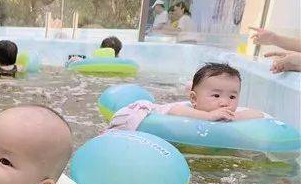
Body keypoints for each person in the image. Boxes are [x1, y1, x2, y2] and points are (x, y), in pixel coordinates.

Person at [109, 63, 263, 131]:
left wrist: (235, 117)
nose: (224, 102)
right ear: (194, 99)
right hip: (148, 117)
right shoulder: (186, 109)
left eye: (232, 97)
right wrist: (209, 116)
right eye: (216, 95)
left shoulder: (228, 113)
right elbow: (176, 111)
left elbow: (259, 115)